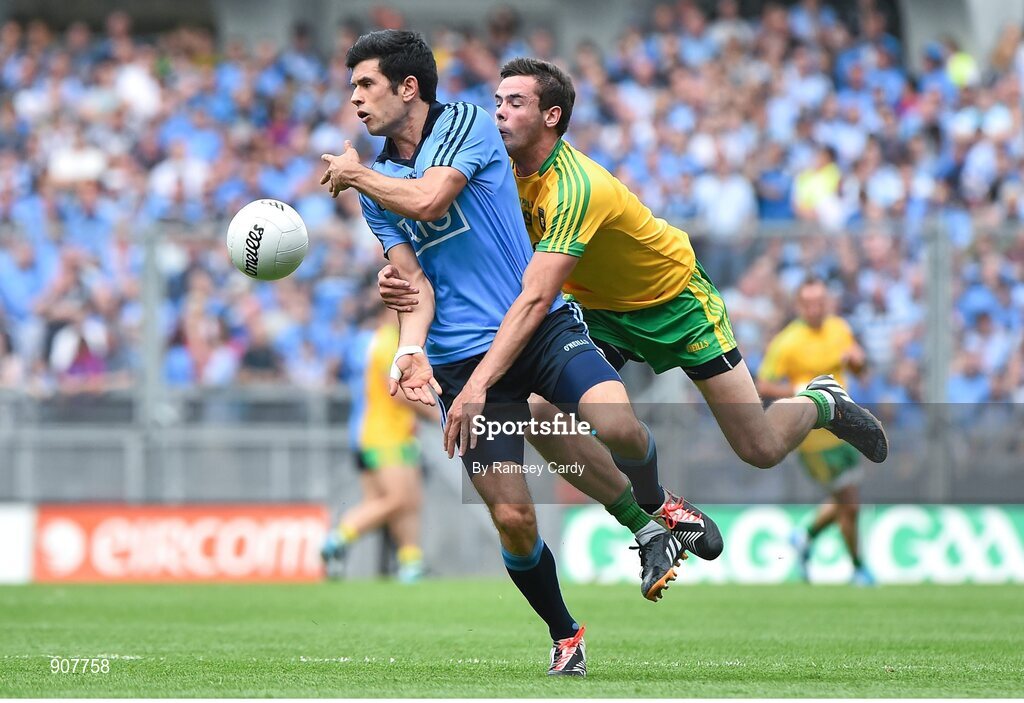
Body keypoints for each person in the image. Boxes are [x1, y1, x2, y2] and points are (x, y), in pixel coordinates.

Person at [319, 30, 710, 677]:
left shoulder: (468, 124)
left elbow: (433, 198)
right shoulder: (376, 185)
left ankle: (656, 506)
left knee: (615, 420)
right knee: (513, 515)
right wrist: (409, 349)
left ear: (407, 87)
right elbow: (411, 283)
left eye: (366, 84)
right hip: (459, 361)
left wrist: (354, 170)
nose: (354, 98)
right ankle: (566, 631)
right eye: (352, 86)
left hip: (537, 327)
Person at [377, 58, 888, 498]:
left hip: (675, 303)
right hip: (596, 309)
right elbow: (451, 236)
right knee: (533, 406)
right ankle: (646, 514)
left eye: (515, 103)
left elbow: (534, 295)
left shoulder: (577, 186)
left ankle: (821, 401)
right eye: (497, 101)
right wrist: (400, 275)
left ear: (551, 116)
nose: (499, 113)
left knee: (760, 447)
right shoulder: (492, 168)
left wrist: (477, 384)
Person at [756, 277, 875, 586]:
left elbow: (859, 368)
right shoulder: (788, 342)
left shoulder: (839, 329)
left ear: (828, 303)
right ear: (799, 306)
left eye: (820, 302)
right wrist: (798, 389)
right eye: (808, 303)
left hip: (846, 428)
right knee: (849, 499)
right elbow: (762, 384)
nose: (815, 308)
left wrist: (858, 363)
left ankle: (803, 537)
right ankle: (858, 568)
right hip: (813, 437)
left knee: (845, 499)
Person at [321, 298, 435, 584]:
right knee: (399, 499)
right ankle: (338, 539)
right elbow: (395, 391)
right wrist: (437, 415)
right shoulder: (387, 345)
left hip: (381, 433)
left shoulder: (386, 342)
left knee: (399, 500)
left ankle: (411, 564)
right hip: (385, 435)